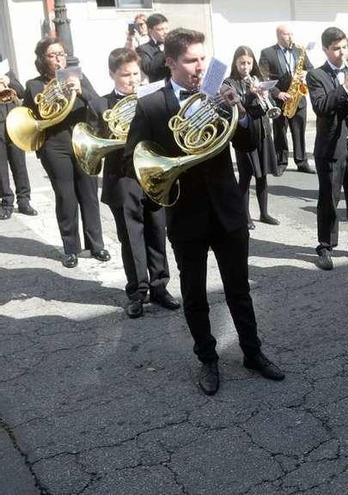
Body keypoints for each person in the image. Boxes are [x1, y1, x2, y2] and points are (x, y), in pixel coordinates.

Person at [124, 28, 284, 395]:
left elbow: (247, 142)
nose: (200, 67)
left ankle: (252, 352)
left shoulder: (218, 91)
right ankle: (207, 358)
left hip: (227, 209)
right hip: (185, 213)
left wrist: (238, 112)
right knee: (194, 294)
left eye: (202, 58)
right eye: (190, 60)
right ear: (170, 63)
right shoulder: (151, 104)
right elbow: (136, 158)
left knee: (239, 289)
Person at [98, 48, 178, 319]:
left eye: (135, 74)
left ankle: (159, 287)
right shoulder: (103, 105)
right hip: (121, 178)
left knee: (157, 230)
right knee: (131, 239)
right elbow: (99, 144)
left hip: (152, 174)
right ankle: (136, 293)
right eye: (124, 75)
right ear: (112, 75)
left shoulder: (151, 98)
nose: (131, 80)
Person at [22, 37, 109, 268]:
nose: (58, 58)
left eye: (60, 53)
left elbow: (99, 104)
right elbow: (29, 120)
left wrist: (80, 92)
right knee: (66, 197)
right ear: (43, 59)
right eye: (52, 55)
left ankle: (96, 245)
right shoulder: (34, 85)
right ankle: (71, 248)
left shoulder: (76, 76)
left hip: (83, 141)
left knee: (89, 195)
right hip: (54, 146)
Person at [306, 27, 348, 271]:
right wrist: (344, 88)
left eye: (344, 47)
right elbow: (322, 107)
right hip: (330, 147)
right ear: (325, 50)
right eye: (336, 49)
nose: (341, 53)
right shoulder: (315, 75)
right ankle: (325, 245)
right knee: (328, 200)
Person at [225, 46, 279, 229]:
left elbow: (267, 103)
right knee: (246, 177)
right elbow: (236, 105)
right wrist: (250, 93)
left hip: (263, 131)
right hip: (244, 136)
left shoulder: (258, 79)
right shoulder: (230, 82)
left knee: (263, 174)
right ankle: (245, 215)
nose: (246, 66)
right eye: (242, 63)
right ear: (235, 63)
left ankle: (264, 213)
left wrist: (265, 93)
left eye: (248, 63)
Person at [259, 24, 315, 174]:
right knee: (280, 132)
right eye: (286, 34)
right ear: (278, 35)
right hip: (279, 99)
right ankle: (281, 161)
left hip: (298, 97)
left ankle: (302, 161)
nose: (290, 36)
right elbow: (263, 77)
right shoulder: (267, 53)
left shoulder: (300, 50)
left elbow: (310, 68)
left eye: (291, 33)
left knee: (299, 132)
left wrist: (306, 74)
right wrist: (277, 93)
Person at [0, 53, 35, 220]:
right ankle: (6, 202)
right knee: (0, 168)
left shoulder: (7, 72)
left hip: (14, 124)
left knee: (19, 165)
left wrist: (8, 81)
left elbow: (21, 92)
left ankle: (24, 201)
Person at [135, 13, 170, 83]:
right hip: (159, 89)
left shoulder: (173, 44)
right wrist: (164, 51)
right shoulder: (142, 49)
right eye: (160, 29)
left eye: (167, 28)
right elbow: (149, 69)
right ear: (150, 31)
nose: (165, 32)